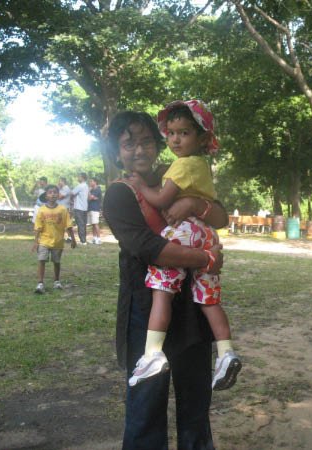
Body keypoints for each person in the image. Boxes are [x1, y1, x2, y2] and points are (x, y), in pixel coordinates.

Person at [102, 110, 226, 449]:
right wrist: (206, 258)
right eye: (129, 144)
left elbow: (221, 216)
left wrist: (194, 204)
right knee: (147, 404)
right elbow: (149, 248)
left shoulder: (178, 175)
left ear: (158, 146)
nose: (139, 150)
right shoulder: (119, 194)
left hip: (191, 307)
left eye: (146, 142)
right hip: (147, 311)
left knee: (196, 402)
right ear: (117, 152)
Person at [127, 100, 241, 390]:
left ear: (201, 138)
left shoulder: (183, 165)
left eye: (184, 133)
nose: (175, 139)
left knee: (162, 290)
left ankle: (152, 353)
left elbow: (162, 200)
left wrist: (141, 186)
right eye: (171, 133)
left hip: (184, 231)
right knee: (209, 299)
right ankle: (226, 352)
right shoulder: (200, 165)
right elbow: (217, 213)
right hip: (206, 234)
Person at [32, 184, 77, 294]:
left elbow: (68, 226)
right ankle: (40, 283)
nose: (53, 194)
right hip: (44, 241)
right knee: (41, 260)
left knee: (56, 261)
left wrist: (73, 239)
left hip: (58, 241)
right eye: (50, 192)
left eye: (55, 192)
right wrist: (36, 242)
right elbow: (38, 227)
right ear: (46, 196)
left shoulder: (63, 210)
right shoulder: (41, 210)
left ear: (58, 195)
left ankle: (56, 281)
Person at [71, 172, 89, 245]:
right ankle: (84, 240)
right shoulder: (86, 186)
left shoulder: (80, 186)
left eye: (79, 177)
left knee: (80, 224)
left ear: (82, 178)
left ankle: (83, 241)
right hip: (85, 207)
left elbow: (72, 193)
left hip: (78, 208)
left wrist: (72, 199)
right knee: (83, 224)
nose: (78, 178)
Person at [88, 177, 102, 244]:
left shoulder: (97, 189)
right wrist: (91, 196)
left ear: (95, 182)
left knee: (96, 224)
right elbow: (89, 198)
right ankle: (94, 238)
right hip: (91, 208)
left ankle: (99, 239)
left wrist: (89, 194)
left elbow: (90, 198)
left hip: (95, 208)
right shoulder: (92, 190)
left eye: (91, 181)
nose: (90, 182)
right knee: (93, 224)